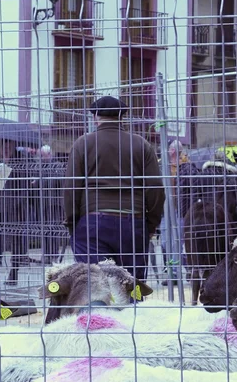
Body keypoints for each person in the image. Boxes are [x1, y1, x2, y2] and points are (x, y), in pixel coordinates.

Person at [64, 95, 165, 282]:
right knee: (131, 284)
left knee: (95, 284)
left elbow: (71, 188)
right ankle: (133, 301)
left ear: (95, 117)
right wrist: (150, 224)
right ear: (122, 117)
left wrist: (73, 224)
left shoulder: (82, 144)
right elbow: (155, 188)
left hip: (93, 222)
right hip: (132, 221)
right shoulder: (141, 145)